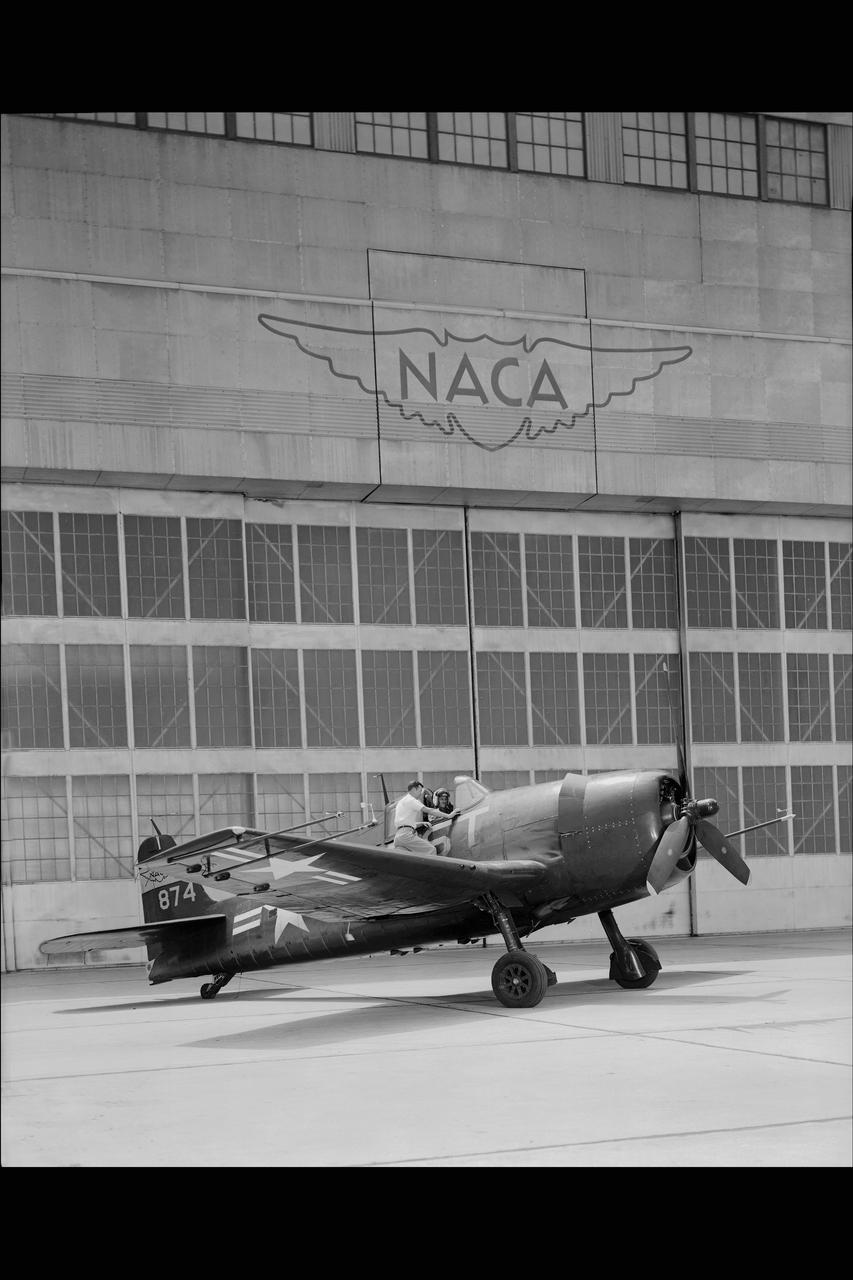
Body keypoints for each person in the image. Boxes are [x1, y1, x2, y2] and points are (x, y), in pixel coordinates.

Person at [394, 780, 457, 855]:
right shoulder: (411, 800)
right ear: (414, 789)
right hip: (406, 835)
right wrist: (448, 815)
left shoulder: (401, 802)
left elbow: (405, 823)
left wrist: (422, 823)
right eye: (420, 791)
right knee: (431, 850)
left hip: (398, 838)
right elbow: (429, 810)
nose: (420, 793)